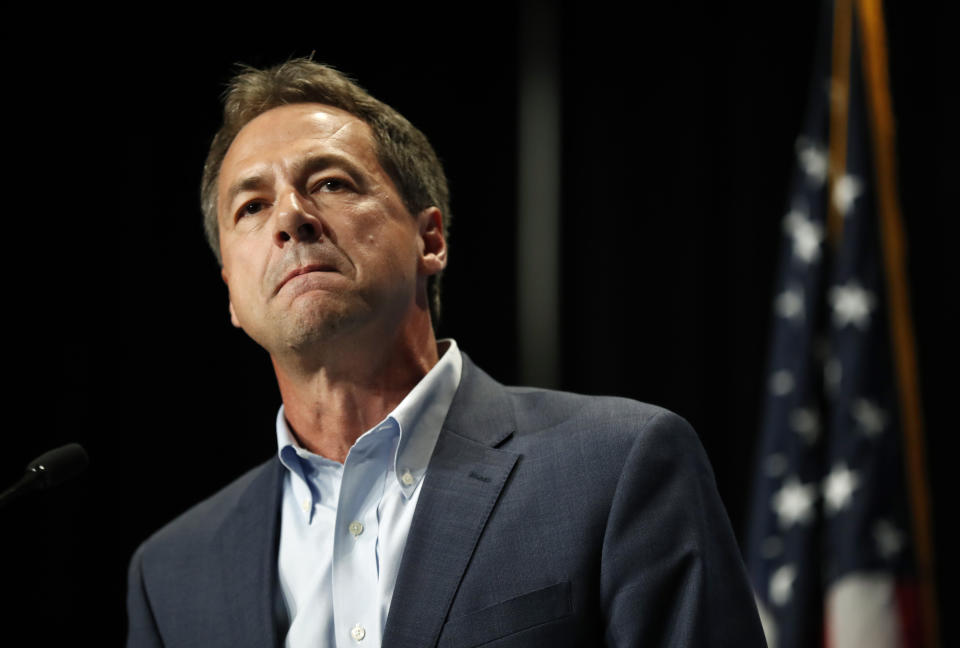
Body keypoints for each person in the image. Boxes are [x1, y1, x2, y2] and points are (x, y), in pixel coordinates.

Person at [126, 59, 766, 647]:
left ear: (430, 239)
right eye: (252, 206)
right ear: (233, 297)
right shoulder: (174, 572)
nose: (290, 217)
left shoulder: (618, 465)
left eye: (330, 182)